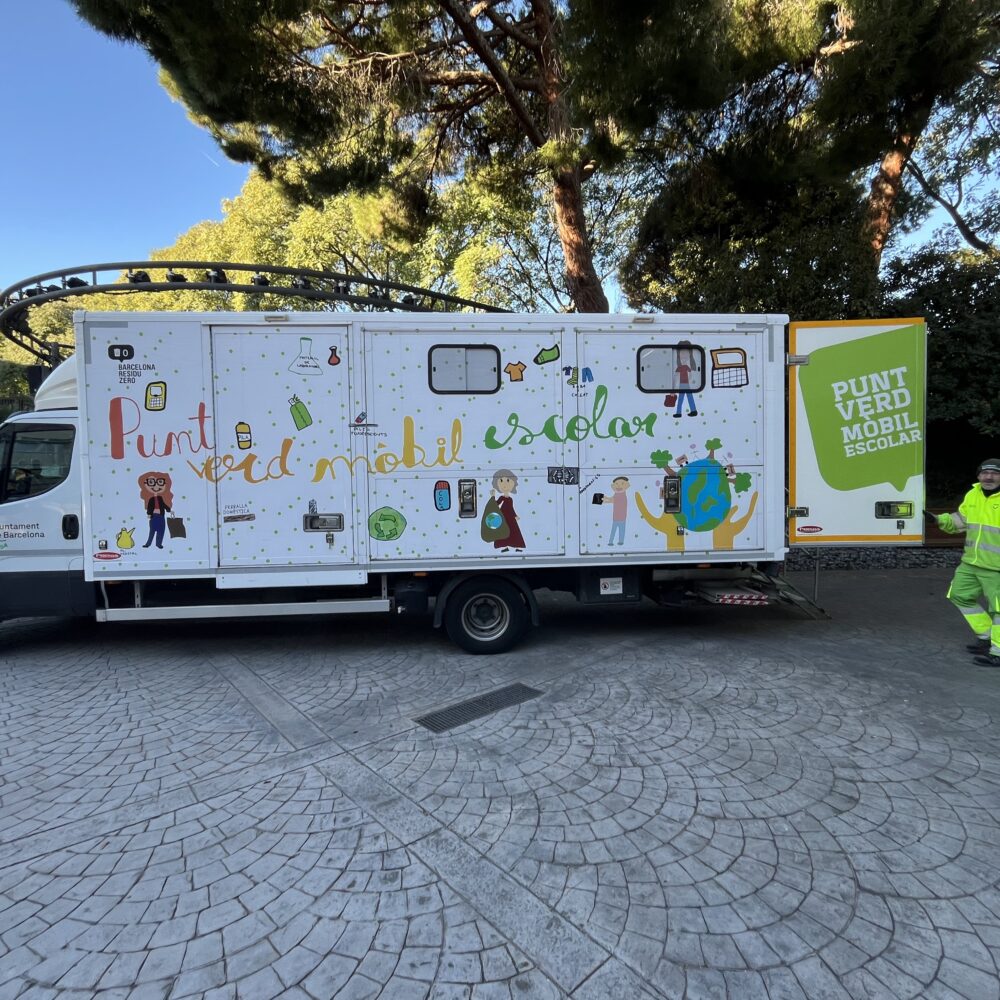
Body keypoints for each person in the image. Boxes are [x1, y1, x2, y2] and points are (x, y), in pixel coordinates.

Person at [928, 459, 1000, 666]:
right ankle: (987, 636)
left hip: (996, 567)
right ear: (978, 476)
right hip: (971, 563)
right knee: (959, 595)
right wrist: (938, 520)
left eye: (995, 473)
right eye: (985, 473)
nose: (989, 477)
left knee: (999, 610)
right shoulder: (973, 494)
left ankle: (998, 652)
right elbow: (960, 520)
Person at [490, 469, 526, 551]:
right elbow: (496, 504)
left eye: (508, 481)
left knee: (513, 531)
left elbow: (511, 508)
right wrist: (493, 496)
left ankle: (516, 547)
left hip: (510, 517)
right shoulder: (501, 497)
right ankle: (505, 547)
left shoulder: (510, 499)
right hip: (503, 516)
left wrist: (515, 516)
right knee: (503, 531)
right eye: (501, 481)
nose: (505, 484)